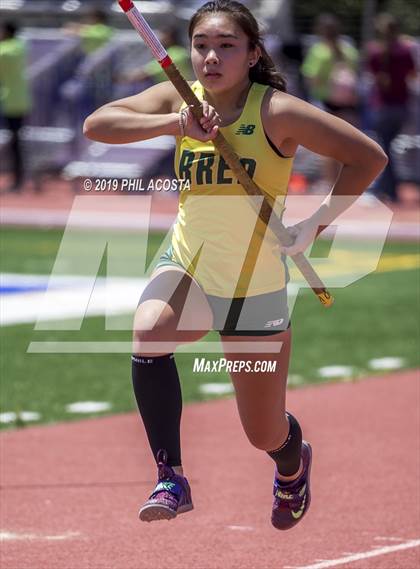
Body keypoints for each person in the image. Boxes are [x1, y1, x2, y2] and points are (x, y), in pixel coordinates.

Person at [84, 0, 387, 529]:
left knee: (263, 433)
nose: (211, 57)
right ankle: (170, 477)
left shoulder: (276, 111)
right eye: (202, 45)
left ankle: (292, 465)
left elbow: (369, 158)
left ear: (252, 55)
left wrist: (314, 225)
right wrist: (174, 123)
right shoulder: (182, 99)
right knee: (149, 331)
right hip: (189, 262)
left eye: (226, 46)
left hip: (256, 285)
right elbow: (97, 124)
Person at [366, 13, 416, 203]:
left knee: (384, 148)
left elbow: (372, 75)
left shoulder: (375, 51)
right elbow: (412, 74)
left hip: (383, 105)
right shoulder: (405, 51)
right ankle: (387, 188)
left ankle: (388, 189)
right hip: (401, 104)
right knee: (387, 147)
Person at [0, 21, 32, 192]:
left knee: (16, 144)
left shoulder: (6, 49)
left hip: (11, 101)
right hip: (19, 99)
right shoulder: (19, 46)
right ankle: (19, 178)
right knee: (16, 143)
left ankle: (18, 179)